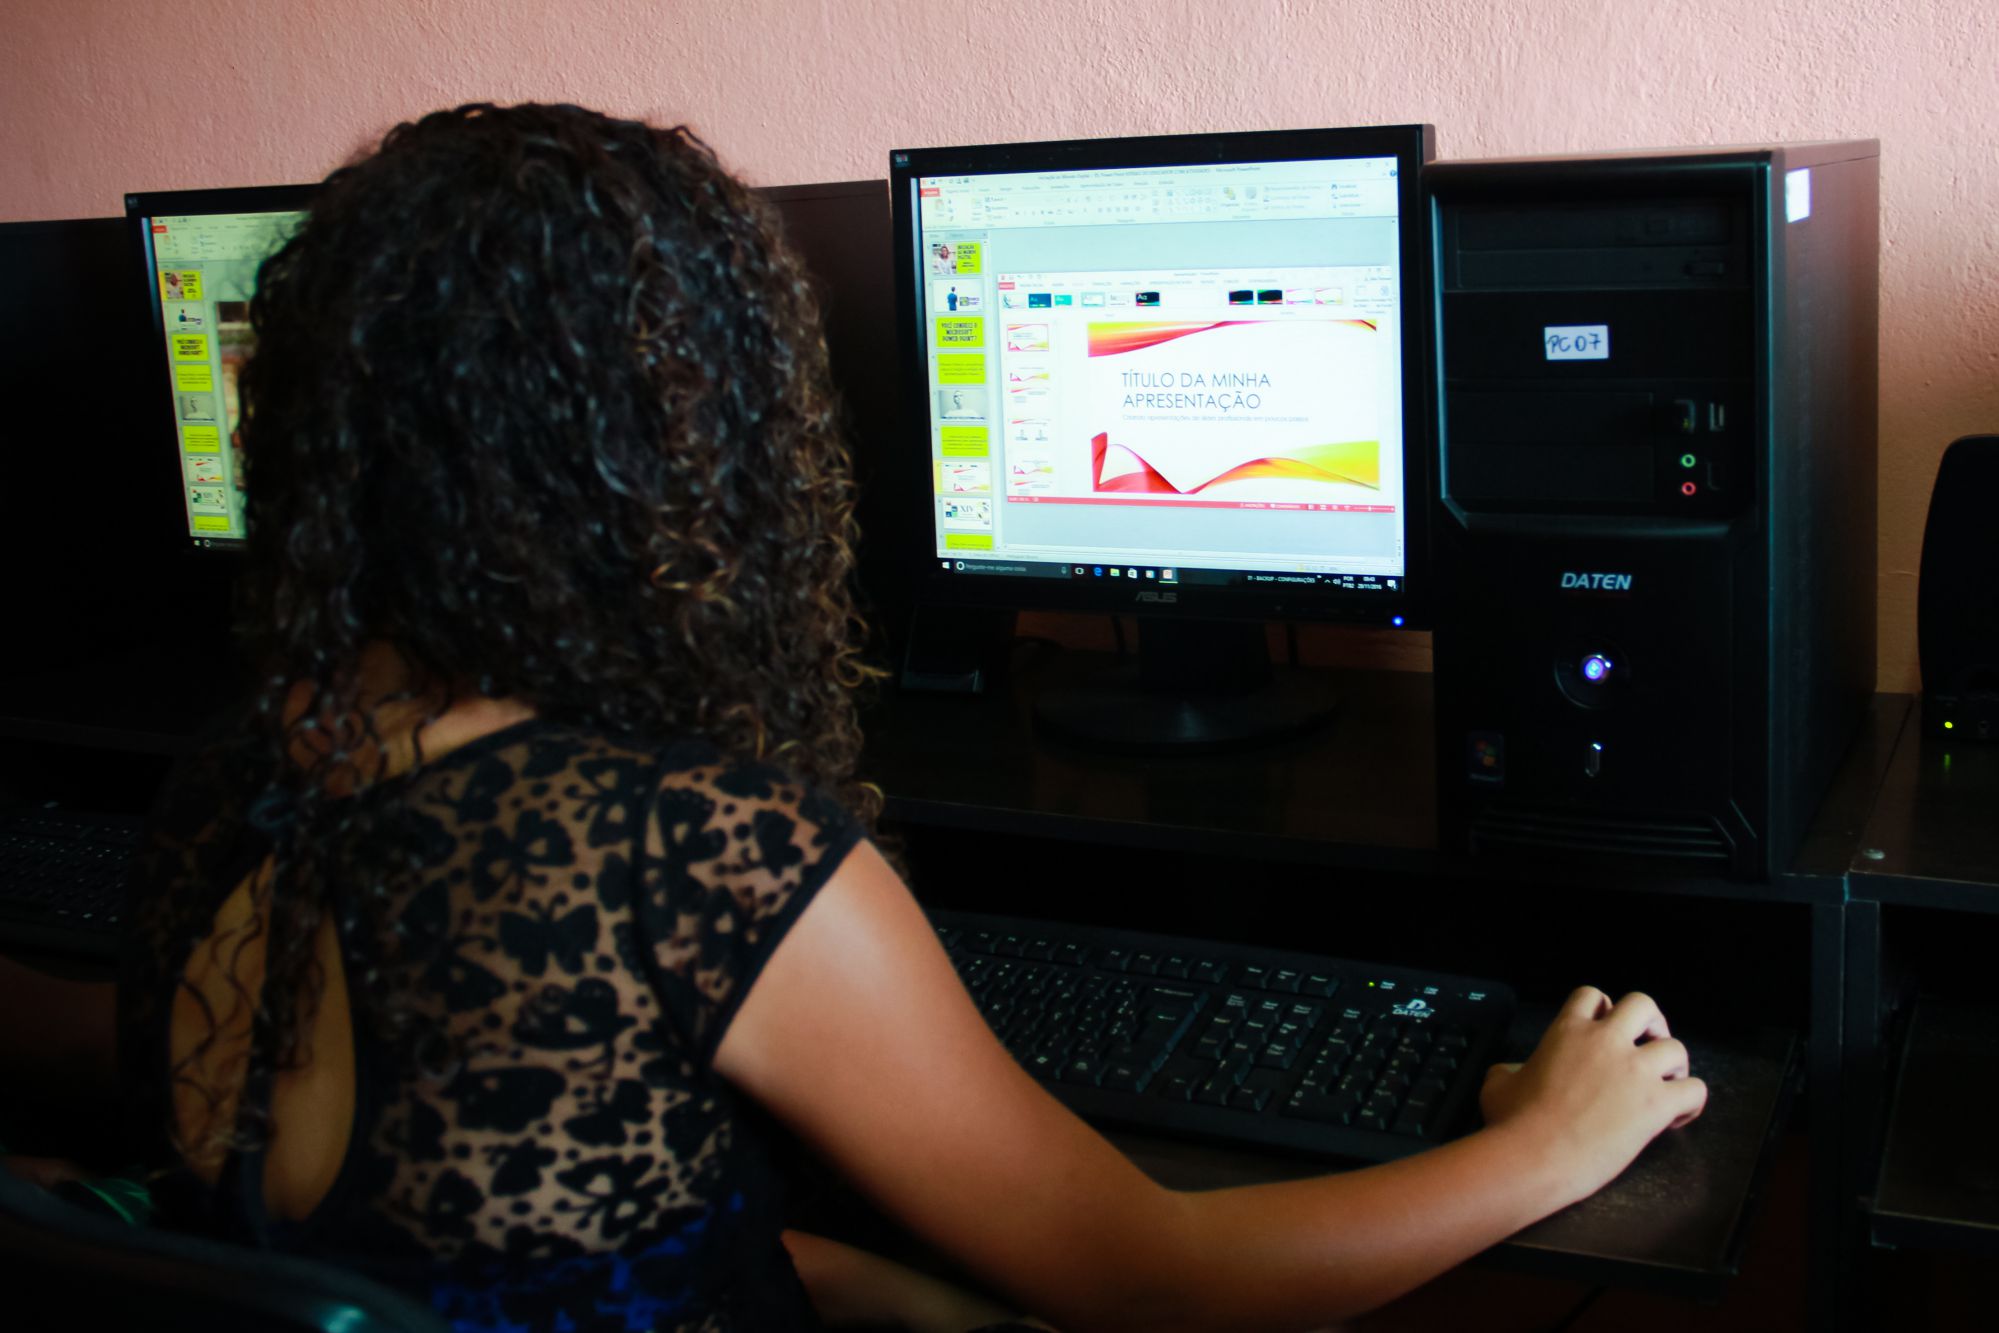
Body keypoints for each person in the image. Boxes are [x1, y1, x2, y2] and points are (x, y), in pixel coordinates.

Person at [8, 103, 1705, 1333]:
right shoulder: (683, 857)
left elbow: (475, 1252)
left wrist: (869, 1284)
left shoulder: (246, 773)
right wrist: (1550, 1143)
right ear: (672, 444)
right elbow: (1154, 1277)